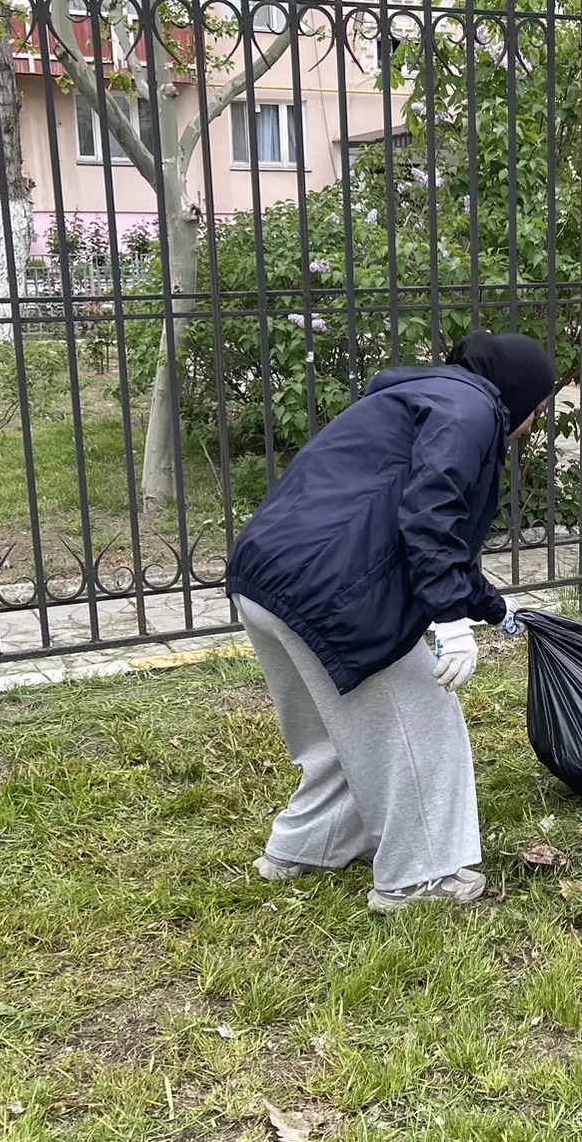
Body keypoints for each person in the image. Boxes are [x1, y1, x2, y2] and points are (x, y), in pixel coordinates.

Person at [225, 332, 556, 913]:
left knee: (339, 734)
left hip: (267, 577)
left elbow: (416, 527)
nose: (531, 425)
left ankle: (307, 847)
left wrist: (496, 609)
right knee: (420, 721)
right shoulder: (473, 408)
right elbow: (431, 517)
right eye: (537, 409)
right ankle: (423, 875)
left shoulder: (418, 397)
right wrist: (450, 620)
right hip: (331, 593)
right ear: (519, 396)